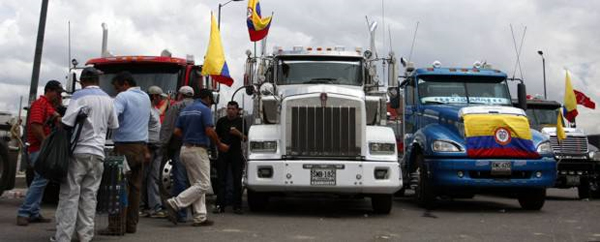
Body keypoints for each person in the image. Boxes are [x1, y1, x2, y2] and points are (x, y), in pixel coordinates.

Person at [52, 67, 119, 242]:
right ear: (98, 81)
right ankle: (85, 236)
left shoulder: (79, 96)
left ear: (82, 81)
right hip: (98, 154)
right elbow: (113, 124)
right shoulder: (108, 99)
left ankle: (63, 238)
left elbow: (67, 122)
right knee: (90, 197)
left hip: (79, 152)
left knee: (70, 195)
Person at [163, 89, 228, 227]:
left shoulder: (186, 110)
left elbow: (176, 131)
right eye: (211, 101)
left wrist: (189, 137)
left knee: (196, 184)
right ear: (208, 99)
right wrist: (219, 144)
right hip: (198, 150)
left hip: (184, 149)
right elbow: (209, 130)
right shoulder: (204, 110)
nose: (211, 104)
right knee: (204, 184)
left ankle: (200, 217)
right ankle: (175, 203)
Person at [98, 71, 150, 235]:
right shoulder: (145, 97)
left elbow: (112, 116)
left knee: (118, 186)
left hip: (124, 147)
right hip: (140, 147)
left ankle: (116, 226)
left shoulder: (123, 97)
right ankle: (131, 225)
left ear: (125, 83)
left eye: (117, 87)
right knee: (135, 188)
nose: (116, 92)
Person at [16, 80, 64, 226]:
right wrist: (45, 144)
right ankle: (24, 212)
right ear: (49, 91)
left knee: (41, 181)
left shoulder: (48, 106)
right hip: (39, 150)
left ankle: (34, 212)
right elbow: (35, 126)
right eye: (58, 92)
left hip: (42, 149)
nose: (59, 96)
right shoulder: (39, 104)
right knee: (40, 181)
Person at [158, 86, 194, 222]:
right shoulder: (200, 107)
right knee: (195, 181)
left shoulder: (176, 107)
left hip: (179, 147)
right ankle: (196, 213)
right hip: (197, 148)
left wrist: (161, 145)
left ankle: (180, 212)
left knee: (179, 179)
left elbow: (168, 127)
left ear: (180, 95)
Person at [214, 101, 247, 214]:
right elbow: (216, 136)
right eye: (229, 108)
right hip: (223, 153)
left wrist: (237, 133)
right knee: (221, 179)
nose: (231, 111)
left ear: (237, 110)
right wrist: (219, 145)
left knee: (237, 180)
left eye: (233, 109)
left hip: (236, 153)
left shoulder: (241, 121)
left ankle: (237, 206)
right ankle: (219, 205)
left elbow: (245, 138)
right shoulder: (221, 121)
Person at [141, 87, 166, 218]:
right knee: (146, 177)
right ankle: (148, 206)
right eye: (160, 97)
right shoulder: (147, 111)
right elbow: (143, 130)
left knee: (153, 177)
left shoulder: (154, 110)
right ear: (155, 96)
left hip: (156, 146)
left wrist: (168, 100)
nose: (161, 99)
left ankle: (152, 206)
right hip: (149, 146)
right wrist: (145, 150)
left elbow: (161, 111)